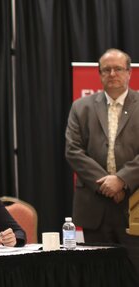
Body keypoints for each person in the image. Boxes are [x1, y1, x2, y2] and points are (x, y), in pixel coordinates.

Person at [65, 48, 139, 271]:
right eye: (106, 70)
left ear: (129, 73)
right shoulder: (81, 107)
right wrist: (107, 183)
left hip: (134, 205)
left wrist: (122, 180)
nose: (112, 74)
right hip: (94, 207)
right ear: (99, 74)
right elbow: (73, 151)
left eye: (118, 69)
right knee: (99, 278)